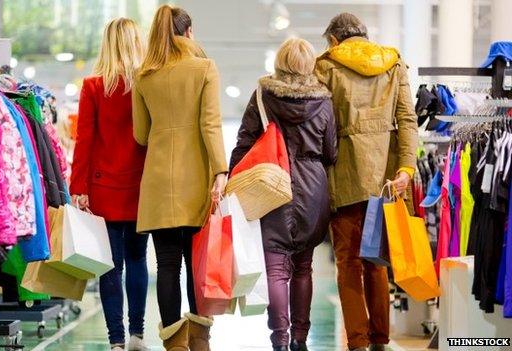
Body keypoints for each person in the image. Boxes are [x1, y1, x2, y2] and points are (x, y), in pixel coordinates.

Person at [314, 13, 418, 351]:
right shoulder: (393, 64)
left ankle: (357, 342)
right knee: (377, 260)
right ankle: (380, 341)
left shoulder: (326, 66)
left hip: (343, 174)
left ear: (334, 40)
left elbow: (319, 125)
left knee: (348, 262)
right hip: (386, 177)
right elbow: (407, 119)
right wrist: (405, 168)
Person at [230, 38, 337, 351]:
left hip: (272, 187)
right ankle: (301, 340)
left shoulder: (264, 95)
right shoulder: (325, 101)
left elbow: (244, 141)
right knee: (304, 267)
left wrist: (232, 180)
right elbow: (331, 150)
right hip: (314, 190)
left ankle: (280, 340)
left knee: (276, 269)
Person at [133, 4, 228, 351]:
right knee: (196, 265)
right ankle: (200, 342)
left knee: (168, 265)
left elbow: (141, 134)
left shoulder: (144, 75)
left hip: (158, 182)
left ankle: (174, 346)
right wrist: (220, 171)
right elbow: (210, 125)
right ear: (189, 32)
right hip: (196, 182)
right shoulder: (204, 68)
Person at [70, 18, 149, 351]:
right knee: (138, 261)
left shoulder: (93, 86)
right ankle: (137, 334)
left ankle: (116, 339)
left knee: (109, 267)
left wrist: (78, 188)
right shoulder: (148, 84)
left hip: (103, 189)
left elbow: (84, 140)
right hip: (142, 188)